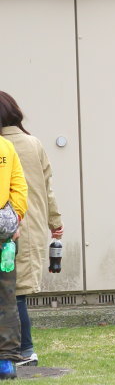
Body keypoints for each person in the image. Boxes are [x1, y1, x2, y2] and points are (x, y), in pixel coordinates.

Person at [0, 92, 62, 368]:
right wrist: (55, 223)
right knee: (18, 292)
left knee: (12, 293)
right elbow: (48, 189)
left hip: (11, 228)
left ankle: (25, 351)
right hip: (31, 226)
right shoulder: (33, 143)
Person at [0, 118, 27, 380]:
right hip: (3, 236)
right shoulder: (6, 148)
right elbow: (19, 189)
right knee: (6, 296)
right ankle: (5, 363)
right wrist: (14, 220)